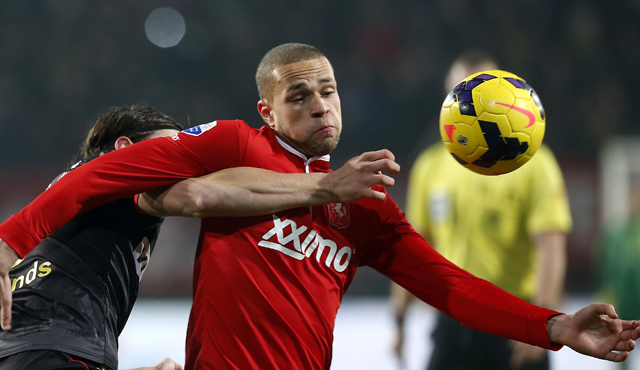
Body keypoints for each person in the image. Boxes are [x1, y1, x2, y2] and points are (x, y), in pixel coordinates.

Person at [0, 43, 637, 370]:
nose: (319, 105)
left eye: (328, 91)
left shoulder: (366, 208)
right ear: (267, 111)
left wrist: (553, 326)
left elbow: (450, 286)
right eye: (299, 95)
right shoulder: (232, 144)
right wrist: (9, 243)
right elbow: (105, 173)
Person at [0, 104, 399, 370]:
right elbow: (199, 196)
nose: (184, 157)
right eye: (172, 145)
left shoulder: (69, 195)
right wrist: (325, 187)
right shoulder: (120, 181)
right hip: (58, 351)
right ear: (124, 149)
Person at [391, 51, 572, 370]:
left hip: (517, 322)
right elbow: (413, 247)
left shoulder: (534, 165)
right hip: (453, 324)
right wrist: (399, 321)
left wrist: (543, 319)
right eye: (459, 92)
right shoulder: (430, 166)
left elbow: (551, 249)